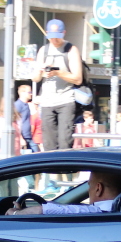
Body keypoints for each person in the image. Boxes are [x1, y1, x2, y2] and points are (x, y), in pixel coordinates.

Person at [32, 19, 86, 151]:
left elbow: (78, 79)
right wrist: (40, 72)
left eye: (57, 37)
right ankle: (52, 171)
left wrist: (58, 73)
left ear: (64, 33)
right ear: (46, 33)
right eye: (51, 37)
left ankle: (67, 170)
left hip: (66, 101)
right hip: (47, 103)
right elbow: (35, 78)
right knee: (49, 144)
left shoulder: (71, 50)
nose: (54, 40)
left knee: (64, 142)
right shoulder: (43, 51)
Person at [7, 171, 121, 216]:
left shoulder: (97, 213)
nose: (89, 190)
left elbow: (47, 210)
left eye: (89, 186)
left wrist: (16, 213)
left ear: (98, 189)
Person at [14, 84, 37, 152]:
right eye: (29, 92)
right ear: (22, 93)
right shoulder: (18, 105)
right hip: (23, 136)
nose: (31, 94)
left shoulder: (27, 105)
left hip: (28, 136)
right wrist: (20, 138)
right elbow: (15, 123)